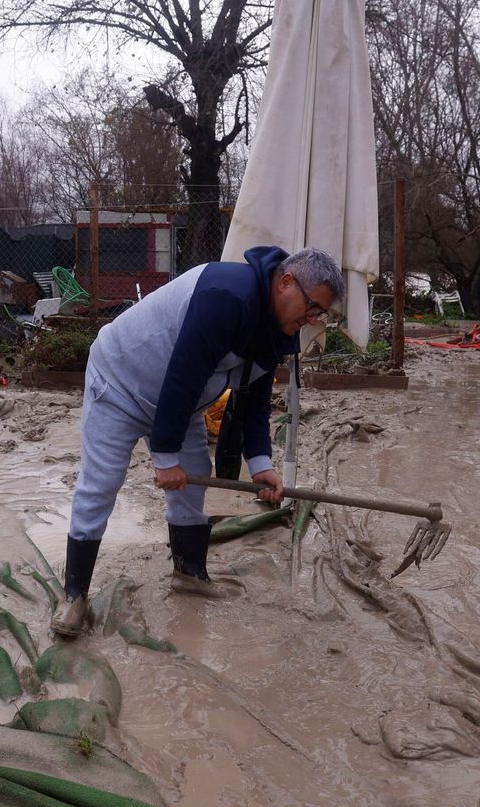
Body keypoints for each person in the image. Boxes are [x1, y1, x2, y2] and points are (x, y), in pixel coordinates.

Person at [50, 246, 344, 637]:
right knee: (101, 483)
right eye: (312, 307)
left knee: (193, 482)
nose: (313, 319)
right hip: (119, 384)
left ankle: (189, 574)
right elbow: (184, 373)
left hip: (181, 402)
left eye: (321, 313)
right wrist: (164, 457)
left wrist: (261, 464)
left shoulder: (279, 328)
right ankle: (74, 595)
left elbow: (255, 398)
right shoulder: (226, 295)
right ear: (285, 282)